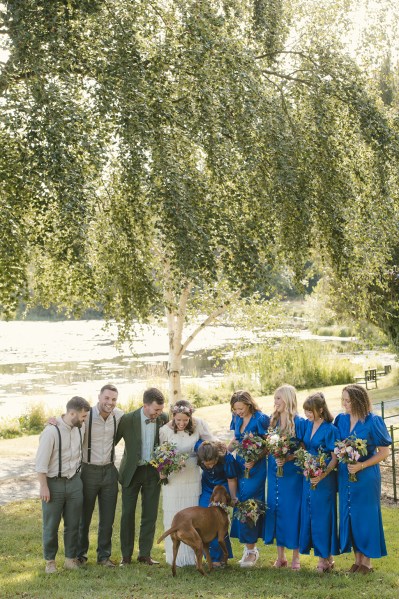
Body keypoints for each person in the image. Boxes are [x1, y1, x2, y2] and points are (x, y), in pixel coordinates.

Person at [334, 384, 391, 574]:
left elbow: (384, 452)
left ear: (358, 401)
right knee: (350, 515)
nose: (344, 404)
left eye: (348, 400)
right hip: (345, 475)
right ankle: (357, 560)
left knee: (366, 516)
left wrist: (361, 465)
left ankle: (367, 562)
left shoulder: (373, 420)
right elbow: (336, 446)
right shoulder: (340, 419)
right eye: (342, 399)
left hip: (366, 476)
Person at [35, 395, 91, 574]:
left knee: (74, 524)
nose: (85, 420)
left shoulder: (79, 428)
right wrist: (44, 486)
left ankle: (70, 559)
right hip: (53, 484)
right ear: (72, 413)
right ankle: (50, 561)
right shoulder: (51, 431)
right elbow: (41, 463)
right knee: (51, 525)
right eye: (82, 416)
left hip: (75, 482)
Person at [159, 399, 216, 567]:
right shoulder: (164, 431)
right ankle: (174, 557)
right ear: (173, 417)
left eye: (186, 420)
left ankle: (193, 557)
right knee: (173, 513)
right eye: (178, 420)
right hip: (175, 479)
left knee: (192, 516)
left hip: (192, 476)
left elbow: (211, 442)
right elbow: (161, 455)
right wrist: (165, 468)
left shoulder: (199, 425)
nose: (182, 423)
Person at [115, 387, 168, 566]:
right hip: (131, 472)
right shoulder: (127, 420)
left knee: (150, 514)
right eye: (156, 410)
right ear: (145, 405)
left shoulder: (163, 419)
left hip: (153, 472)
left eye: (161, 410)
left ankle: (145, 554)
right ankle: (126, 556)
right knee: (127, 514)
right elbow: (110, 441)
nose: (159, 413)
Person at [77, 384, 124, 567]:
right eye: (106, 398)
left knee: (107, 518)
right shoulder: (86, 415)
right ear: (99, 397)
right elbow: (67, 419)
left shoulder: (119, 416)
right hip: (88, 471)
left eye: (113, 399)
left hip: (110, 472)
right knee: (84, 517)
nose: (110, 403)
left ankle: (104, 556)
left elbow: (139, 418)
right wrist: (53, 420)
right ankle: (80, 555)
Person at [263, 384, 305, 570]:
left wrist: (288, 457)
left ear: (287, 399)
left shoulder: (300, 422)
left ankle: (296, 557)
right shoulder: (272, 421)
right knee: (276, 509)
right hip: (274, 471)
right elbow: (267, 445)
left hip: (292, 473)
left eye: (278, 398)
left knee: (292, 511)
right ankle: (281, 557)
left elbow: (304, 447)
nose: (275, 402)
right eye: (274, 398)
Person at [228, 390, 269, 568]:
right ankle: (248, 548)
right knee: (240, 502)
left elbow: (269, 444)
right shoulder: (236, 418)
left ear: (249, 404)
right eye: (235, 409)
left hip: (256, 469)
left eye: (241, 408)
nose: (238, 412)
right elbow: (236, 440)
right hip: (240, 465)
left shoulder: (261, 419)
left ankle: (252, 551)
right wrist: (224, 451)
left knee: (251, 503)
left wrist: (256, 458)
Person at [299, 392, 339, 572]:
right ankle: (326, 557)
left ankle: (324, 559)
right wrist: (306, 461)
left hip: (324, 479)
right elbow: (304, 445)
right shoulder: (307, 425)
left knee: (323, 517)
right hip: (309, 475)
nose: (307, 415)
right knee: (311, 515)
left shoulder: (330, 429)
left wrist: (322, 475)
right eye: (306, 411)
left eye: (310, 411)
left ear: (321, 410)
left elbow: (334, 458)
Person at [196, 440, 237, 567]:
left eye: (212, 463)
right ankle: (212, 556)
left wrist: (233, 497)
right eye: (206, 465)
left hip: (222, 487)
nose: (209, 467)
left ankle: (220, 558)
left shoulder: (227, 459)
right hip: (208, 488)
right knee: (206, 520)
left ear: (216, 457)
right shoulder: (200, 450)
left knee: (219, 521)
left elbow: (231, 479)